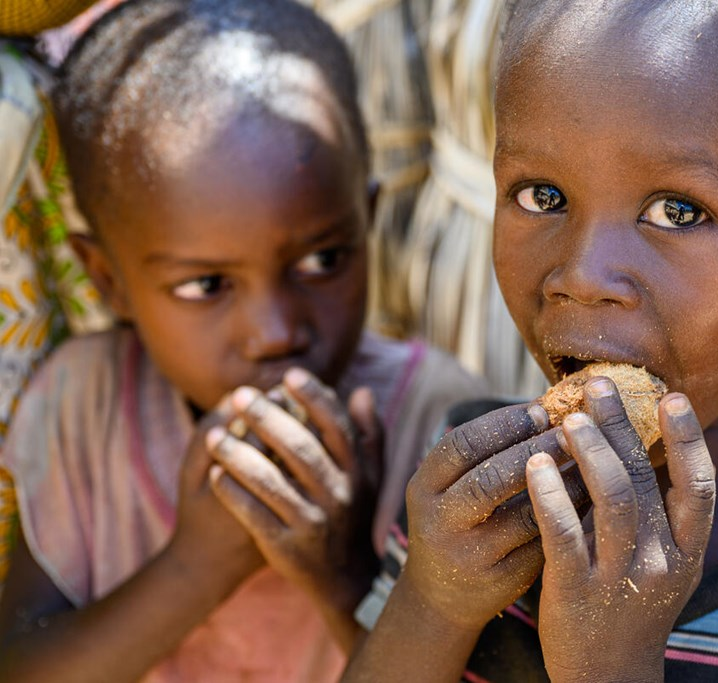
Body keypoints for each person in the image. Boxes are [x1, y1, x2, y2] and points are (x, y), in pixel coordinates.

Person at [343, 1, 718, 681]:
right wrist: (434, 601)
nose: (583, 274)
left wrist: (611, 665)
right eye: (542, 195)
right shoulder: (473, 492)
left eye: (676, 211)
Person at [0, 0, 486, 680]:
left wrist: (343, 573)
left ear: (366, 221)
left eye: (323, 261)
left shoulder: (441, 423)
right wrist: (200, 564)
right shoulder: (83, 405)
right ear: (106, 279)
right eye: (206, 285)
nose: (275, 333)